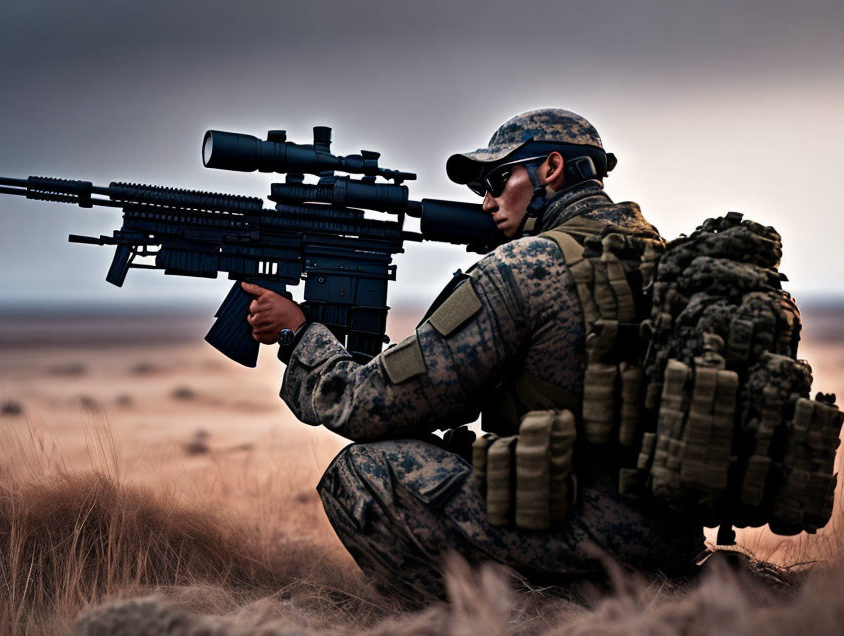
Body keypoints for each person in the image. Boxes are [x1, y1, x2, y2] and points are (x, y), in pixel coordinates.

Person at [242, 109, 705, 604]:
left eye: (498, 179)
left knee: (364, 472)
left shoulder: (522, 269)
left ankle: (522, 621)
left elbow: (368, 404)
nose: (486, 202)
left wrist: (299, 334)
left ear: (551, 169)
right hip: (665, 532)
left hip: (584, 528)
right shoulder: (657, 254)